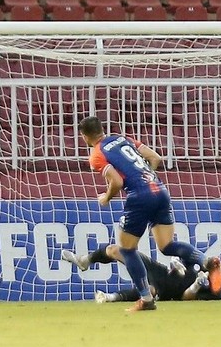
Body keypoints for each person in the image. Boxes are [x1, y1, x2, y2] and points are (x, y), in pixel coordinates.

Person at [79, 115, 210, 312]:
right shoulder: (122, 138)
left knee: (127, 250)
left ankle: (146, 298)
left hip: (139, 196)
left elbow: (117, 182)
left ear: (84, 136)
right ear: (101, 129)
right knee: (167, 245)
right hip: (160, 190)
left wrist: (106, 197)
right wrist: (146, 179)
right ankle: (205, 260)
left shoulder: (97, 154)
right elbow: (155, 158)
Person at [62, 245, 221, 302]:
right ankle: (85, 261)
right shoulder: (205, 261)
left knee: (149, 290)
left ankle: (110, 297)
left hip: (166, 290)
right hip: (160, 271)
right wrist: (176, 261)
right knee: (116, 250)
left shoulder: (216, 293)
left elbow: (185, 298)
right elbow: (184, 254)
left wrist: (196, 285)